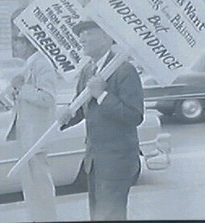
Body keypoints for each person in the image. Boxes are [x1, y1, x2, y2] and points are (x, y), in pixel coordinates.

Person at [59, 20, 144, 221]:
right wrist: (66, 116)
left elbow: (134, 115)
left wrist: (102, 95)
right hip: (94, 162)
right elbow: (80, 109)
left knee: (110, 217)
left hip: (117, 161)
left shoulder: (124, 70)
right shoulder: (88, 71)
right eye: (81, 34)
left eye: (88, 33)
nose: (82, 38)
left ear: (106, 37)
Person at [5, 33, 57, 222]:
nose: (15, 46)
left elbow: (47, 98)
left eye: (18, 42)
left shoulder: (42, 64)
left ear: (29, 44)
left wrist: (23, 88)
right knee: (31, 185)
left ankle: (46, 218)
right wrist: (16, 91)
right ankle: (37, 217)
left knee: (40, 185)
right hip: (26, 135)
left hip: (36, 136)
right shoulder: (29, 65)